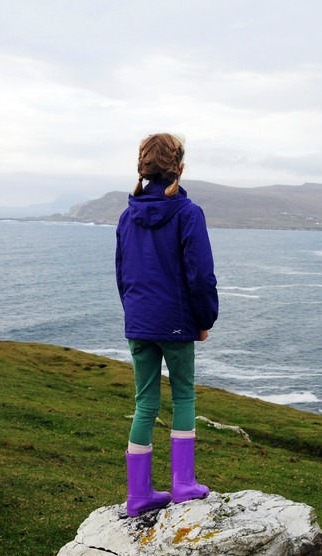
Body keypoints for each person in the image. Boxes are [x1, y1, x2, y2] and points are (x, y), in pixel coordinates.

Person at [115, 133, 219, 516]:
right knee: (184, 396)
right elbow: (201, 275)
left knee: (145, 403)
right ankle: (183, 484)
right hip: (176, 323)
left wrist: (135, 316)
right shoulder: (188, 213)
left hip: (139, 323)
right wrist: (203, 320)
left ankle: (138, 494)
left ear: (142, 169)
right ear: (180, 167)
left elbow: (122, 274)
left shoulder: (128, 216)